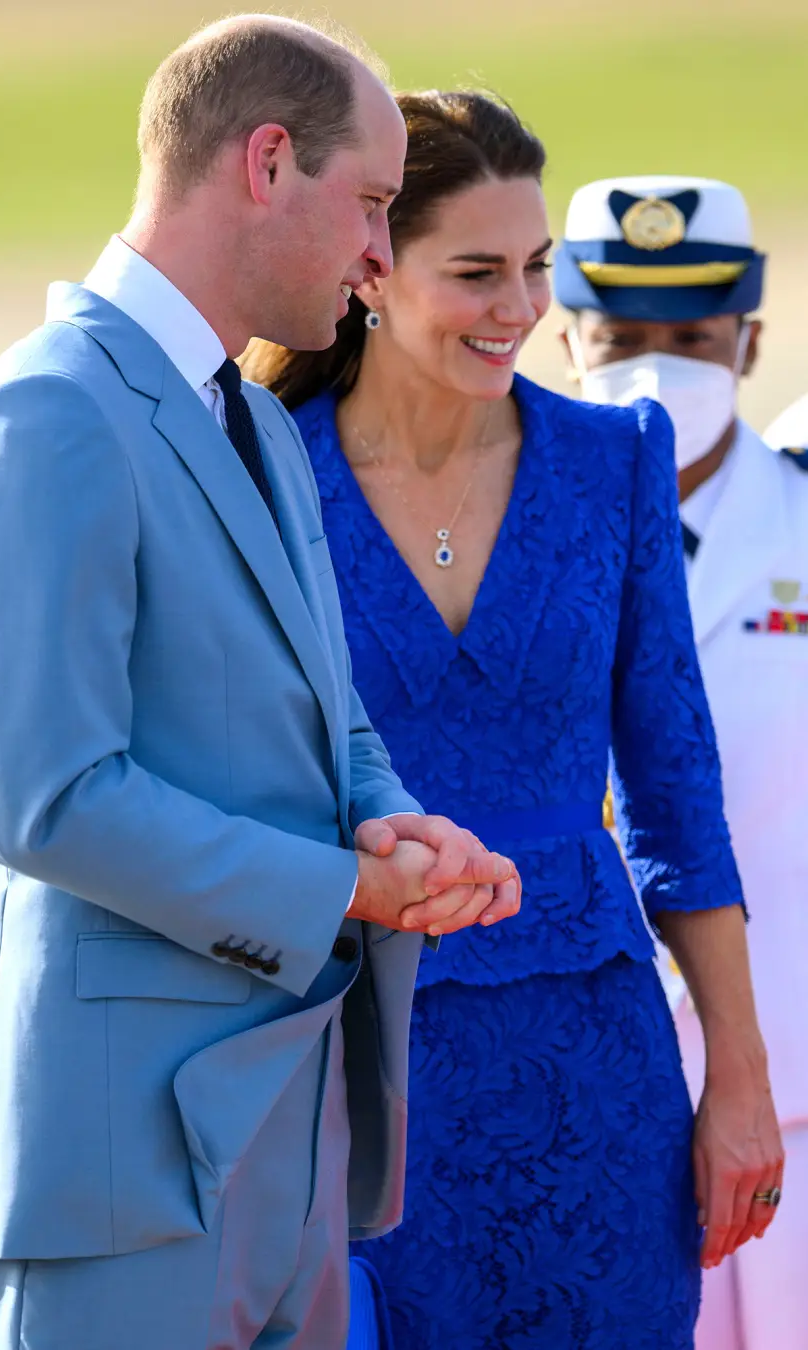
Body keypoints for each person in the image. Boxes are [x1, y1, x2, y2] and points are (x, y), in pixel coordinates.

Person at [0, 24, 522, 1350]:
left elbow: (328, 714)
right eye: (371, 203)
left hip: (288, 1153)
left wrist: (393, 823)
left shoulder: (252, 416)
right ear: (267, 163)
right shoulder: (48, 411)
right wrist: (344, 891)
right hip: (122, 1178)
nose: (382, 254)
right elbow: (52, 799)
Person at [245, 94, 782, 1350]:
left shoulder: (616, 461)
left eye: (536, 268)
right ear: (373, 270)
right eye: (478, 272)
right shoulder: (262, 473)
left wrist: (739, 1078)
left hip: (597, 1063)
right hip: (343, 1061)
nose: (523, 308)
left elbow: (676, 800)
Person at [556, 174, 807, 1350]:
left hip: (799, 1091)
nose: (658, 370)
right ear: (565, 338)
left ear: (750, 340)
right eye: (622, 339)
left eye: (694, 338)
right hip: (589, 1093)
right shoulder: (504, 530)